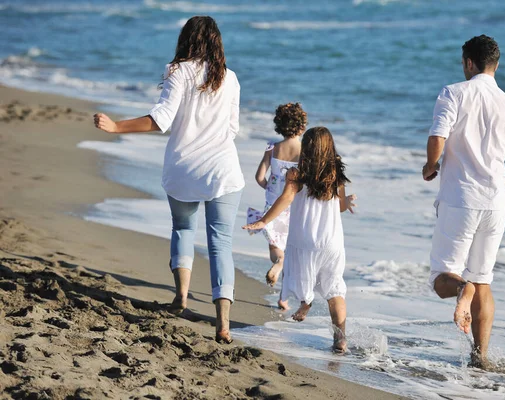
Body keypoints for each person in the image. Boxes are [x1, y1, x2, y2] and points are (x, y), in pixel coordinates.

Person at [93, 16, 244, 344]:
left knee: (183, 229)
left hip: (185, 167)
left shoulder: (178, 71)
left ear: (186, 39)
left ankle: (181, 299)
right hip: (223, 168)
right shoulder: (230, 78)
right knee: (221, 243)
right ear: (217, 42)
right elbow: (232, 129)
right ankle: (223, 325)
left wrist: (117, 127)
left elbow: (161, 119)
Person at [422, 35, 505, 368]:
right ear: (497, 65)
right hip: (495, 204)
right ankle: (481, 357)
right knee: (484, 280)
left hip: (460, 199)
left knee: (441, 279)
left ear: (468, 63)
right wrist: (504, 187)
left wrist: (431, 166)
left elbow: (437, 136)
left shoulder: (454, 93)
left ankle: (464, 290)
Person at [243, 127, 356, 353]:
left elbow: (285, 199)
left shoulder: (296, 174)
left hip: (305, 238)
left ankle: (306, 304)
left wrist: (264, 221)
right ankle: (341, 339)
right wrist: (348, 202)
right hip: (332, 241)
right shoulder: (336, 176)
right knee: (335, 290)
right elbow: (340, 207)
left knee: (299, 274)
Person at [247, 103, 307, 311]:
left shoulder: (272, 148)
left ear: (279, 126)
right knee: (292, 251)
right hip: (295, 207)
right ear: (302, 128)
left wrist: (269, 188)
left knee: (275, 246)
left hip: (273, 205)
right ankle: (284, 297)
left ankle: (277, 263)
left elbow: (259, 177)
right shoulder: (304, 152)